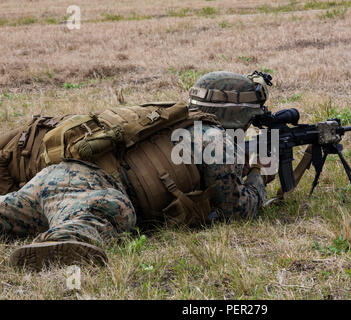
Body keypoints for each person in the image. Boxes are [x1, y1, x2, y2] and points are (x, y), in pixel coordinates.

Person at [0, 71, 271, 270]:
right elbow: (237, 210)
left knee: (12, 210)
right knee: (116, 209)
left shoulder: (176, 120)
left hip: (55, 176)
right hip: (94, 192)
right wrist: (258, 174)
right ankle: (61, 241)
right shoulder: (215, 139)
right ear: (238, 115)